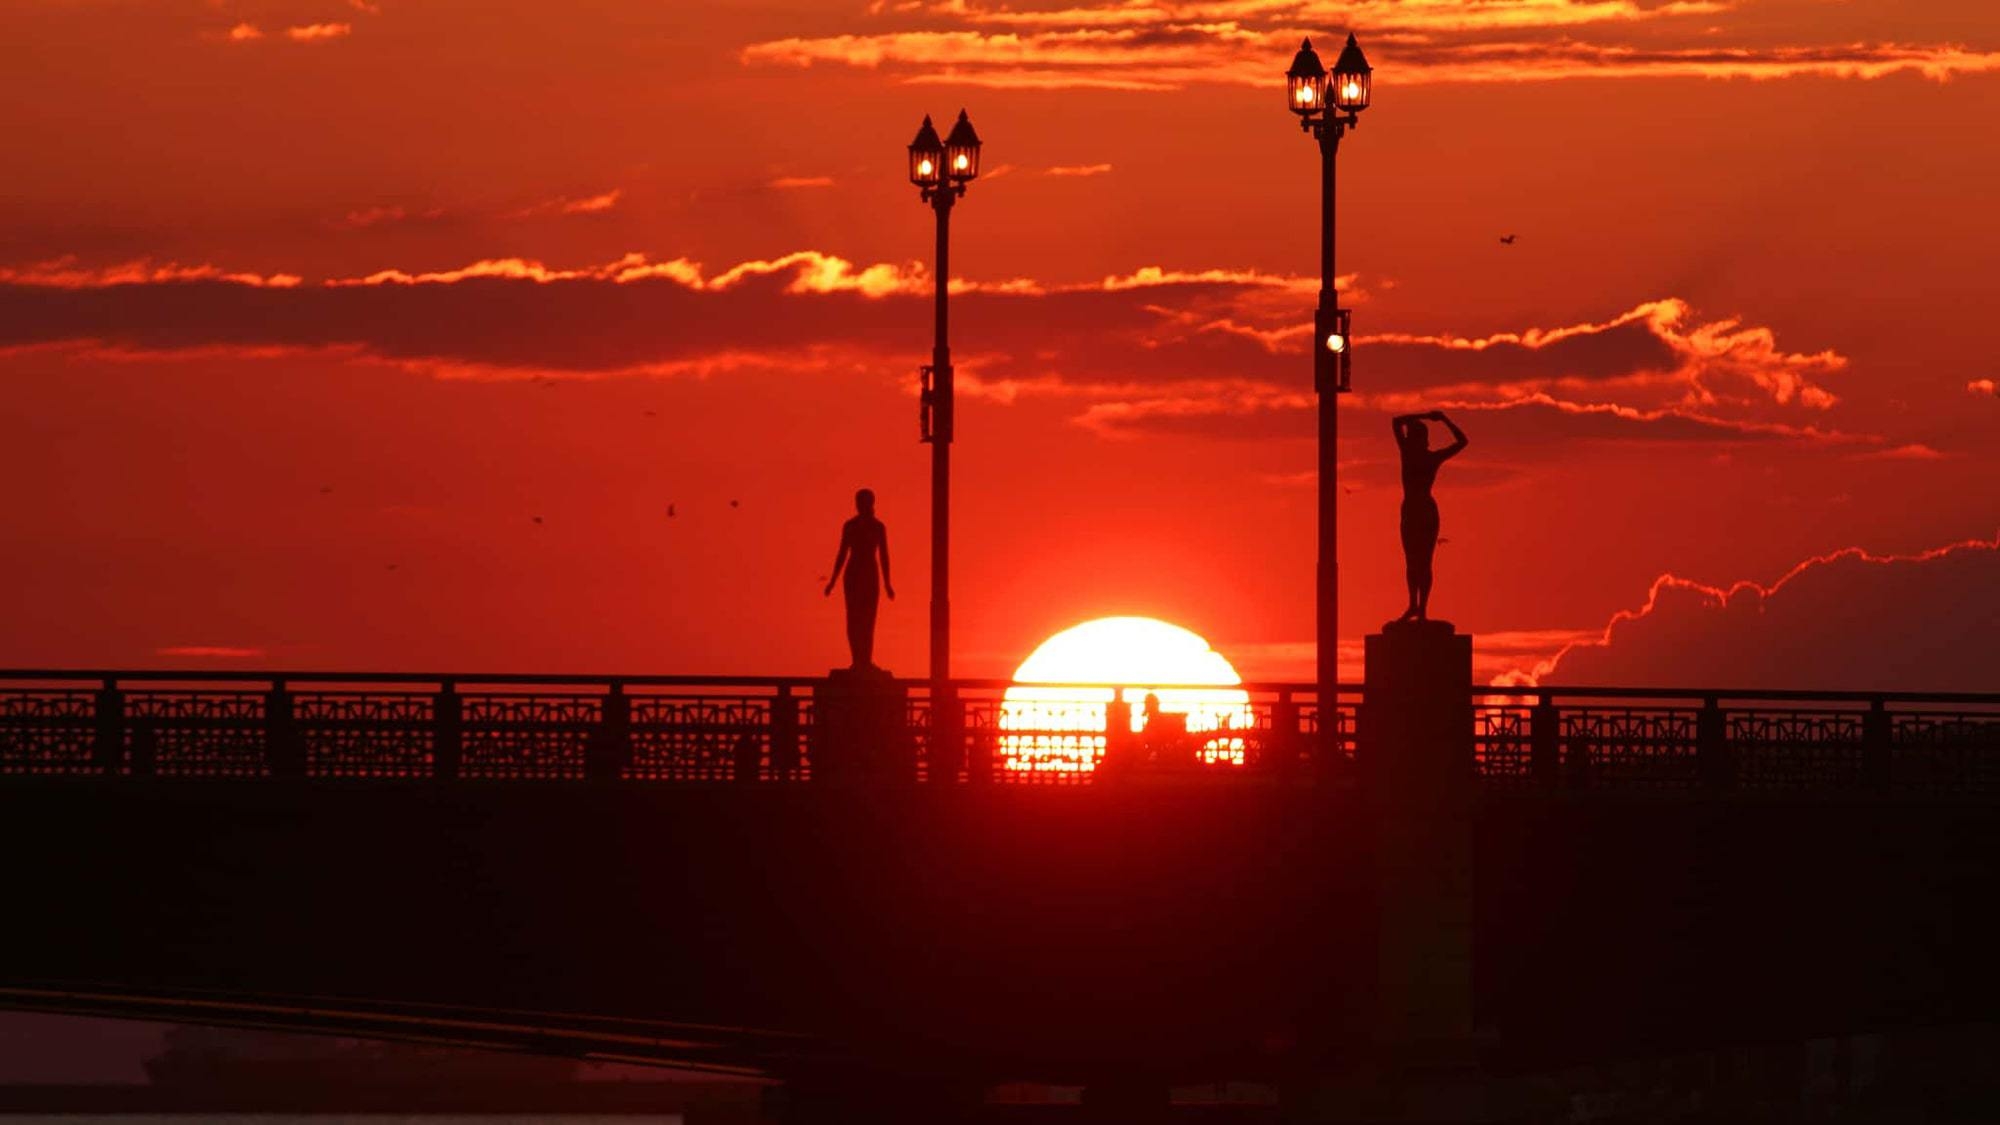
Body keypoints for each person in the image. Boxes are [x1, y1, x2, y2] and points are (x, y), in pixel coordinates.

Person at [1391, 410, 1468, 623]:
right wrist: (1430, 416)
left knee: (1424, 561)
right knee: (1411, 561)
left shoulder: (1429, 457)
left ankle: (1422, 608)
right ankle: (1413, 605)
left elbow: (1462, 442)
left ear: (1422, 439)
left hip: (1425, 511)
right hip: (1410, 510)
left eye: (1415, 435)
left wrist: (1442, 419)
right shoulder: (1408, 452)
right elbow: (1396, 421)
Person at [823, 488, 894, 669]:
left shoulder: (878, 527)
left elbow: (884, 556)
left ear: (871, 503)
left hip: (870, 574)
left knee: (869, 620)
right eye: (858, 502)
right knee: (854, 619)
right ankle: (857, 659)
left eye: (864, 502)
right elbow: (842, 553)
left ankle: (866, 660)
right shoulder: (850, 526)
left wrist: (887, 584)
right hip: (853, 573)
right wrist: (832, 581)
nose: (860, 505)